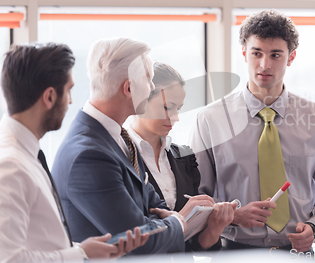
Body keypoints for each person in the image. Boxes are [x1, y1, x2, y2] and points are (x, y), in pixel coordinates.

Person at [189, 9, 315, 252]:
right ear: (245, 53)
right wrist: (233, 215)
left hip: (299, 253)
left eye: (275, 55)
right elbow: (196, 200)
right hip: (234, 252)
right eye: (256, 53)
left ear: (291, 57)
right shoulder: (210, 120)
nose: (264, 64)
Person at [0, 43, 148, 263]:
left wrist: (87, 250)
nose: (70, 100)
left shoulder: (26, 155)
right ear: (49, 97)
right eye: (69, 90)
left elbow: (41, 241)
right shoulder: (11, 166)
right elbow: (9, 259)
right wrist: (80, 254)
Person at [51, 37, 186, 255]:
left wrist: (156, 223)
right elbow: (141, 241)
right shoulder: (88, 154)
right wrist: (177, 224)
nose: (152, 88)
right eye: (149, 79)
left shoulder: (121, 137)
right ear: (129, 88)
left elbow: (156, 205)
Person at [128, 62, 236, 251]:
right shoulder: (119, 155)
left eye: (179, 108)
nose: (176, 117)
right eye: (168, 107)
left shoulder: (184, 157)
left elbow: (195, 245)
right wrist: (182, 217)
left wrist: (215, 227)